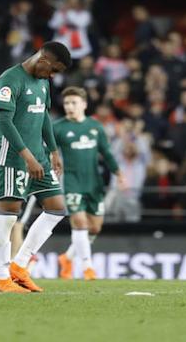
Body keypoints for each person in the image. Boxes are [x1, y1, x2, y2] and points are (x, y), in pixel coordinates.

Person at [0, 41, 71, 294]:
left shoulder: (43, 82)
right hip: (13, 157)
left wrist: (53, 150)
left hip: (39, 157)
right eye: (53, 69)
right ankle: (3, 278)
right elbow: (3, 120)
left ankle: (19, 266)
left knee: (57, 209)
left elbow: (44, 116)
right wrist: (27, 157)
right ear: (43, 59)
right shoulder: (10, 80)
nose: (53, 76)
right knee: (9, 214)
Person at [54, 87, 126, 280]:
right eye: (67, 103)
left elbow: (107, 152)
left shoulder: (95, 127)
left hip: (94, 183)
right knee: (79, 223)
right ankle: (88, 268)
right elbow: (46, 150)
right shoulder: (58, 127)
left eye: (73, 103)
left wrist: (118, 173)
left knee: (94, 228)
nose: (69, 107)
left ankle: (67, 258)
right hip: (71, 182)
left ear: (84, 104)